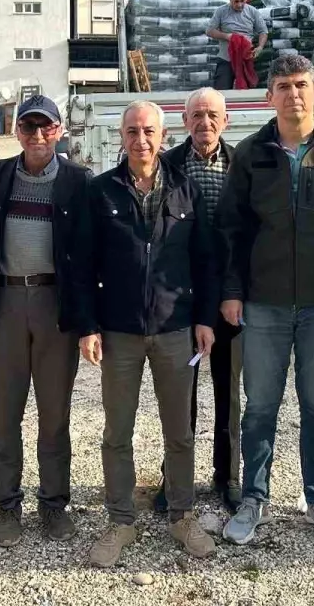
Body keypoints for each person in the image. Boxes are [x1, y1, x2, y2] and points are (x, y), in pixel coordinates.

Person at [218, 54, 314, 547]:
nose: (293, 95)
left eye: (301, 85)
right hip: (262, 305)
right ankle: (253, 499)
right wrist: (232, 291)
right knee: (259, 407)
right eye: (283, 86)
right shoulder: (251, 153)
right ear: (269, 96)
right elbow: (231, 229)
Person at [79, 100, 219, 567]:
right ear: (122, 136)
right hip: (119, 332)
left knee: (179, 432)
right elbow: (83, 264)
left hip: (175, 329)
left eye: (149, 132)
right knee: (117, 432)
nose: (141, 140)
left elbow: (205, 260)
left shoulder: (185, 190)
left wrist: (204, 319)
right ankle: (121, 520)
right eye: (132, 131)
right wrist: (87, 325)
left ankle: (182, 516)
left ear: (163, 136)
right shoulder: (100, 192)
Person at [0, 95, 93, 548]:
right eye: (29, 127)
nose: (38, 135)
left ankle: (53, 504)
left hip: (54, 307)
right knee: (5, 416)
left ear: (60, 130)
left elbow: (88, 254)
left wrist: (87, 319)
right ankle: (7, 507)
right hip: (6, 304)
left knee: (54, 415)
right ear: (17, 132)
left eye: (46, 127)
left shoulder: (78, 180)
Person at [153, 87, 242, 514]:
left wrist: (236, 290)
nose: (205, 122)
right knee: (178, 392)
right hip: (180, 296)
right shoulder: (166, 165)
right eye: (197, 115)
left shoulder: (242, 165)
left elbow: (250, 233)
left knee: (229, 391)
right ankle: (175, 477)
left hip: (229, 295)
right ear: (184, 121)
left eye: (212, 115)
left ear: (225, 121)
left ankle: (228, 477)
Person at [207, 0, 268, 90]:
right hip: (226, 59)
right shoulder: (221, 11)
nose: (239, 5)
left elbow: (263, 31)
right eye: (236, 1)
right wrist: (227, 36)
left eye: (242, 1)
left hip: (246, 58)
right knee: (222, 91)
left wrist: (260, 47)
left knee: (247, 91)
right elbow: (209, 31)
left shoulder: (253, 11)